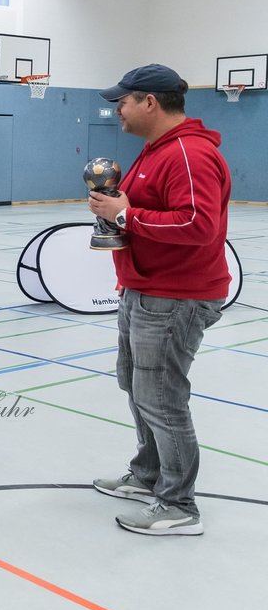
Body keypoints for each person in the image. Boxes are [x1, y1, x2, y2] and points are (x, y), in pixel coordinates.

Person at [88, 65, 230, 537]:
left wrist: (126, 214)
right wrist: (117, 209)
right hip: (145, 289)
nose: (117, 111)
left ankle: (179, 505)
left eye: (123, 102)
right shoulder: (157, 151)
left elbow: (198, 224)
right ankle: (148, 475)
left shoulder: (190, 153)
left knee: (162, 397)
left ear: (150, 102)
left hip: (176, 296)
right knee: (137, 385)